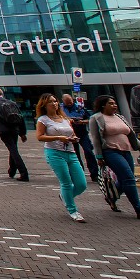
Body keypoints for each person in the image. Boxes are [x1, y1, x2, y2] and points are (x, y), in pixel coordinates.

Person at [88, 94, 140, 221]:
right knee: (129, 179)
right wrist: (98, 156)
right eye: (111, 103)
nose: (114, 105)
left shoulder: (120, 117)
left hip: (126, 152)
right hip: (110, 152)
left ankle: (111, 198)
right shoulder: (96, 118)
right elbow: (96, 140)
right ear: (103, 105)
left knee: (123, 180)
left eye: (115, 103)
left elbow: (132, 137)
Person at [35, 93, 88, 222]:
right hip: (54, 153)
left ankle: (65, 196)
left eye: (55, 101)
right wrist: (58, 137)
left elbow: (72, 133)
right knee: (66, 182)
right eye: (50, 102)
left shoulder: (65, 118)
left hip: (70, 152)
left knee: (81, 184)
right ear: (44, 105)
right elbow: (40, 136)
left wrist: (73, 139)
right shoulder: (43, 119)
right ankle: (73, 210)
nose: (54, 104)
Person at [0, 87, 29, 181]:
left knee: (13, 150)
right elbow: (20, 118)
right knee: (13, 148)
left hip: (4, 130)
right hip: (14, 129)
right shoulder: (12, 103)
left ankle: (24, 173)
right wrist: (22, 133)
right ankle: (12, 171)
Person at [61, 93, 98, 183]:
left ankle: (95, 174)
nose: (69, 103)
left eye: (70, 101)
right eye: (67, 102)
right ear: (63, 101)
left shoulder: (80, 108)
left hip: (82, 133)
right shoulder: (60, 109)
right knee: (75, 155)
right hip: (69, 134)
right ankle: (78, 174)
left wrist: (81, 122)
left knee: (88, 151)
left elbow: (90, 119)